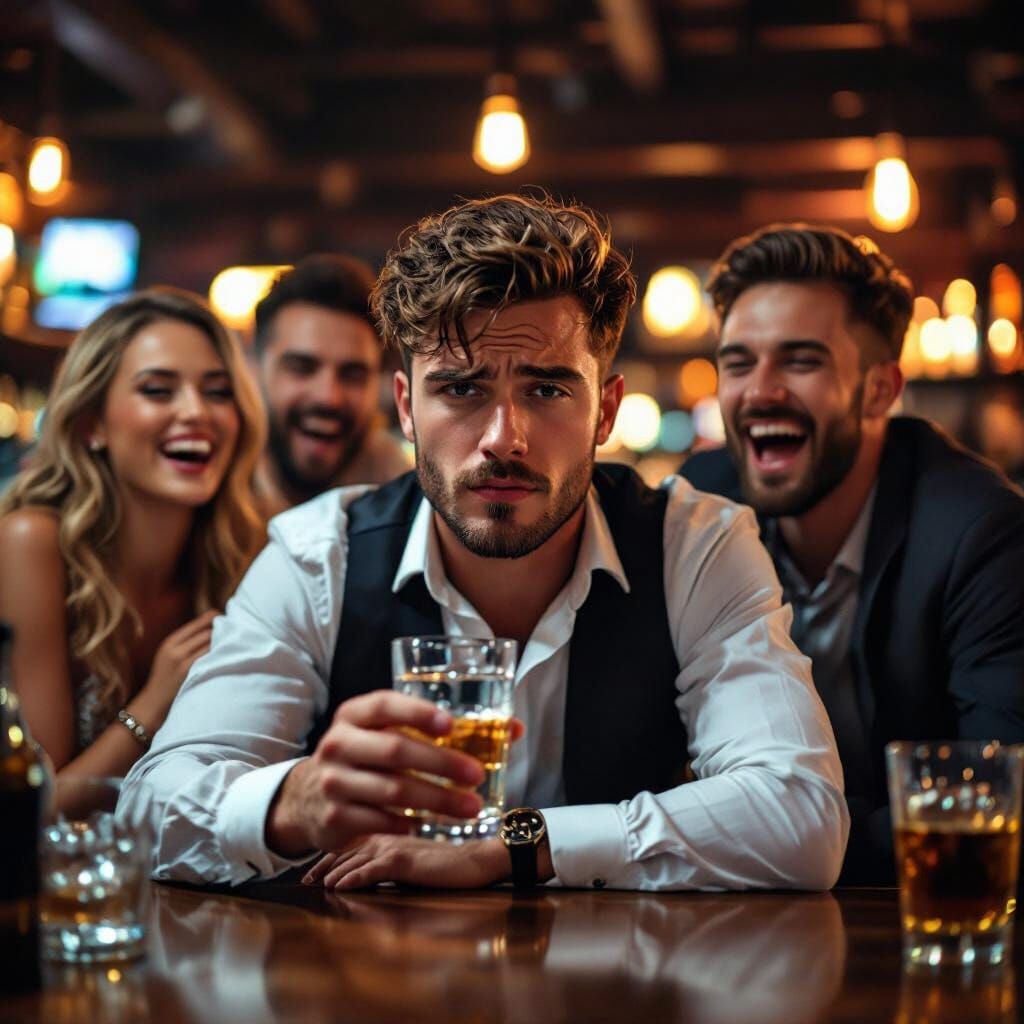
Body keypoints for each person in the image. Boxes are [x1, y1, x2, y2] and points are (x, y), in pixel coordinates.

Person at [121, 194, 847, 892]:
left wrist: (515, 845)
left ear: (607, 411)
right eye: (462, 389)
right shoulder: (320, 555)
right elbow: (150, 810)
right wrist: (291, 805)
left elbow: (802, 817)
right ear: (406, 406)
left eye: (548, 390)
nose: (505, 440)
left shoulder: (696, 545)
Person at [680, 223, 1024, 884]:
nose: (760, 392)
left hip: (922, 920)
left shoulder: (980, 533)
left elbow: (994, 793)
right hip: (729, 931)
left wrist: (779, 834)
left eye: (800, 360)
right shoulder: (697, 510)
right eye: (738, 362)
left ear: (880, 390)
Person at [0, 289, 266, 777]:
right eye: (158, 390)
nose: (196, 413)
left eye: (218, 391)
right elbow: (38, 806)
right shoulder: (31, 541)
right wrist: (154, 703)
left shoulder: (246, 548)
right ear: (91, 425)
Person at [251, 254, 411, 517]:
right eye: (302, 368)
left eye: (352, 375)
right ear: (254, 371)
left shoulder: (400, 494)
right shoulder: (209, 494)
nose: (328, 397)